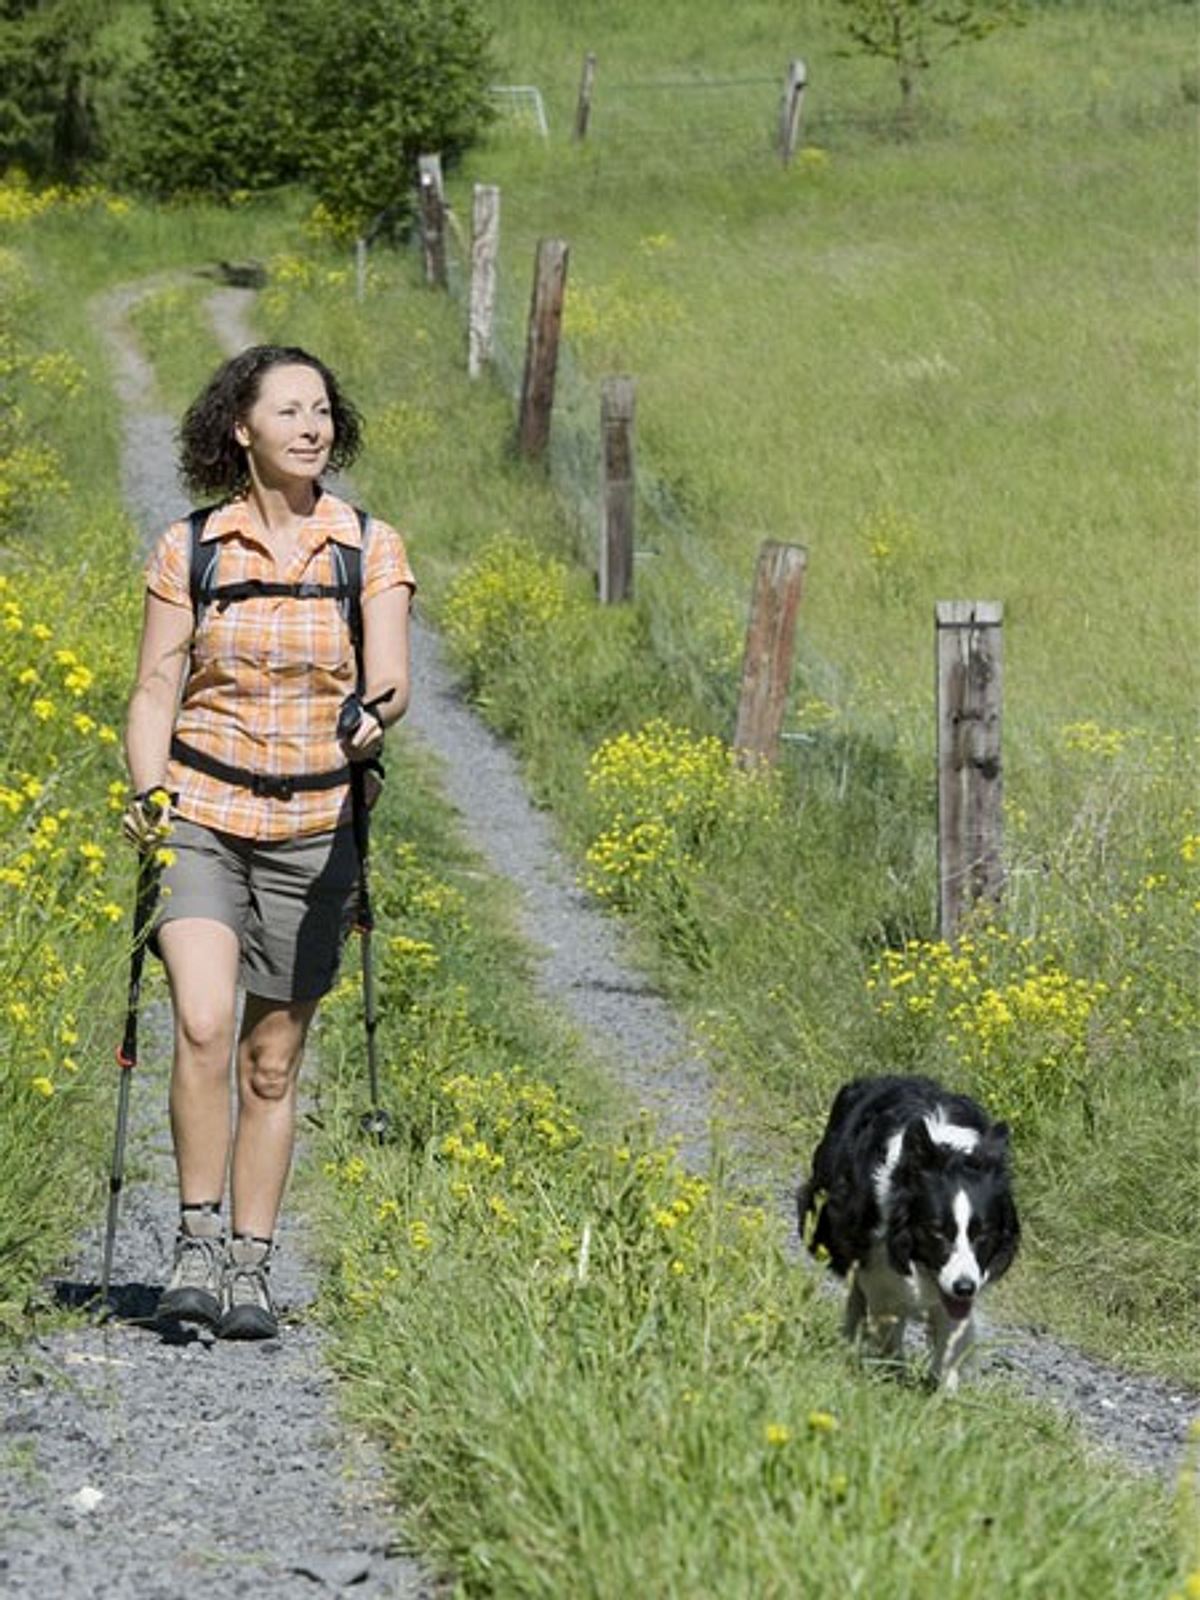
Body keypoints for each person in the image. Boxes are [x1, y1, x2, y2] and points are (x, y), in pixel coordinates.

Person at [122, 344, 414, 1339]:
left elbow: (390, 678)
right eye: (288, 410)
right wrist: (149, 786)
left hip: (313, 827)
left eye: (323, 410)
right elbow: (158, 683)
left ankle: (253, 1262)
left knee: (271, 1060)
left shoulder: (366, 546)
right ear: (240, 427)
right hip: (203, 813)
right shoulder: (191, 546)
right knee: (203, 1021)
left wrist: (374, 719)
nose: (311, 425)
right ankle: (194, 1244)